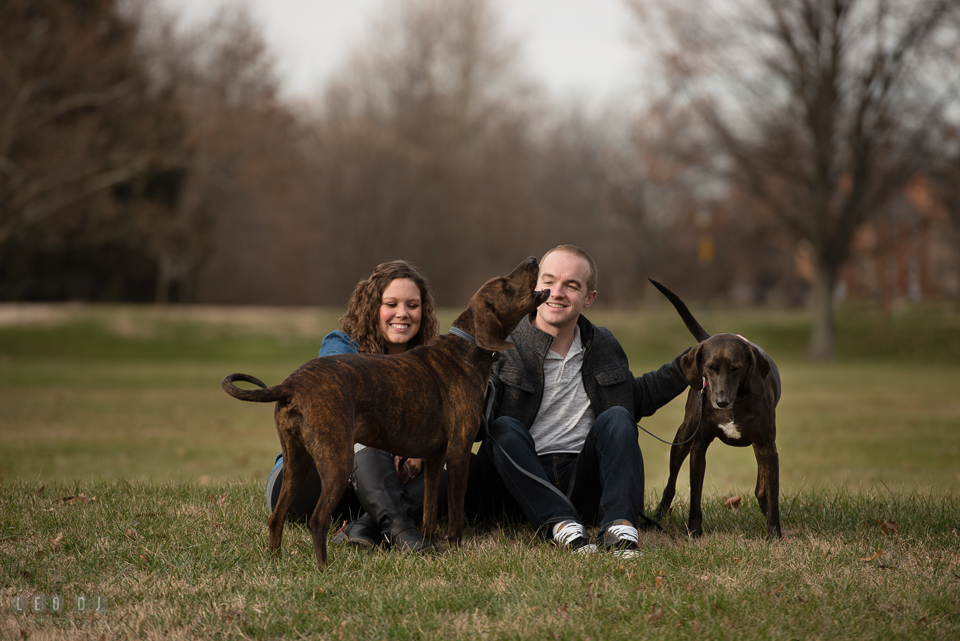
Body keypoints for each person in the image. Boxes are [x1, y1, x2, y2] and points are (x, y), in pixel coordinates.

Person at [478, 245, 690, 557]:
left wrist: (689, 365)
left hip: (584, 480)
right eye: (549, 282)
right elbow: (473, 418)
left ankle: (620, 528)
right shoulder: (505, 344)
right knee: (503, 427)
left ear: (588, 298)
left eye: (571, 285)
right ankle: (560, 525)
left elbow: (637, 399)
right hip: (522, 482)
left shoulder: (602, 343)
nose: (557, 292)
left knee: (618, 417)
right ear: (535, 287)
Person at [265, 259, 442, 552]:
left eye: (413, 305)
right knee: (360, 431)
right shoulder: (341, 345)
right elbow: (334, 408)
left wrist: (421, 454)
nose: (403, 313)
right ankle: (400, 532)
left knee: (455, 461)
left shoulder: (430, 364)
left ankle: (364, 527)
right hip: (310, 486)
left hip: (374, 491)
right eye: (391, 303)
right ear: (373, 307)